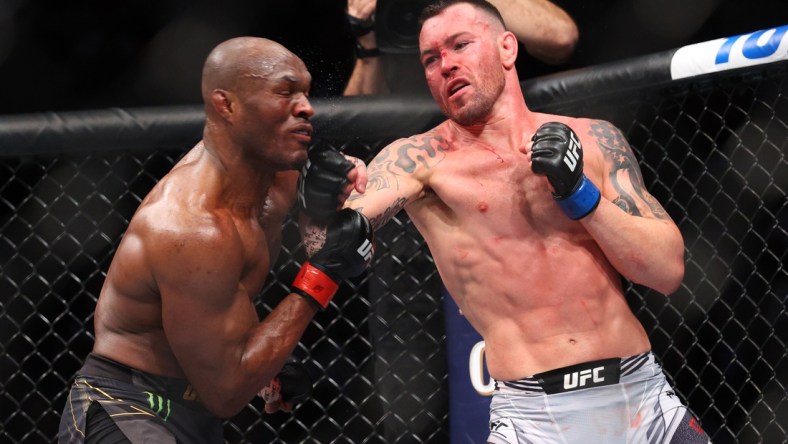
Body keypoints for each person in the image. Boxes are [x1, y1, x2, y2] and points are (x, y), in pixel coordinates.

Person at [343, 1, 711, 442]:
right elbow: (328, 241)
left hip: (643, 399)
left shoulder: (595, 138)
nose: (447, 65)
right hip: (534, 418)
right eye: (431, 58)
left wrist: (580, 194)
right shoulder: (419, 161)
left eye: (460, 45)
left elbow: (668, 271)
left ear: (507, 49)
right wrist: (324, 202)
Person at [57, 36, 374, 443]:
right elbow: (227, 392)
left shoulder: (280, 177)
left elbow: (340, 243)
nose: (307, 107)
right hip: (130, 408)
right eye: (284, 91)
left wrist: (268, 368)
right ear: (227, 105)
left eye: (306, 92)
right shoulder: (190, 226)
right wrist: (321, 276)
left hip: (199, 410)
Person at [343, 0, 578, 96]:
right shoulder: (383, 13)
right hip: (426, 135)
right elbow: (356, 131)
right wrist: (366, 37)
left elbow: (561, 38)